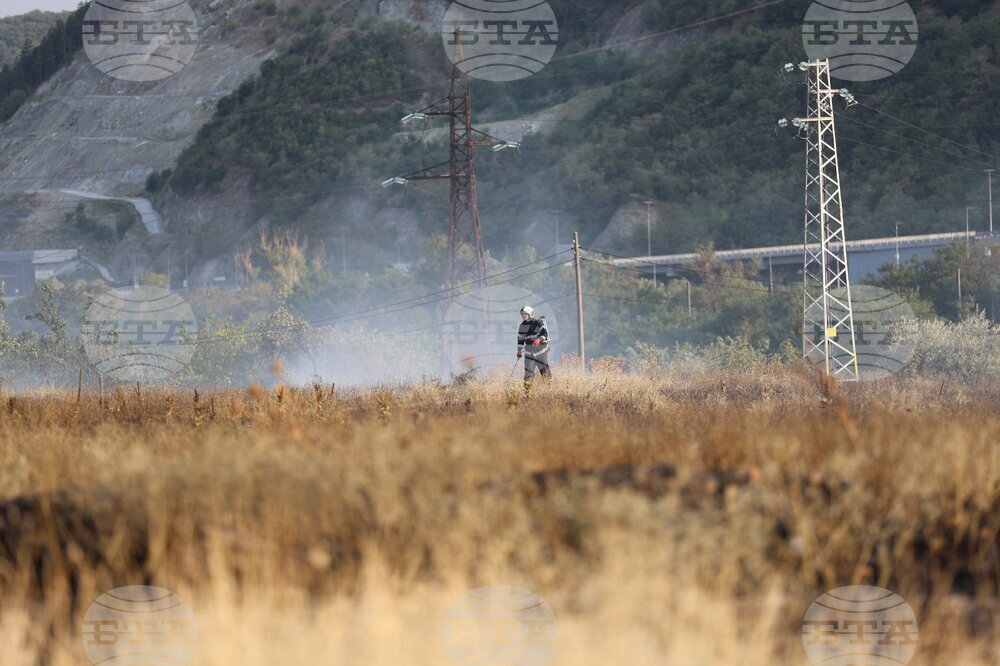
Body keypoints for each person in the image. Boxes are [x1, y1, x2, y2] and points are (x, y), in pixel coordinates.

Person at [516, 305, 551, 391]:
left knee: (545, 374)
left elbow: (545, 334)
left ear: (530, 314)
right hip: (529, 354)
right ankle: (527, 394)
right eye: (522, 314)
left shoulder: (537, 322)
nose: (523, 315)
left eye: (525, 314)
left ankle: (549, 392)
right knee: (528, 375)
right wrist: (519, 351)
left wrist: (539, 339)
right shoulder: (521, 326)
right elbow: (520, 340)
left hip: (541, 353)